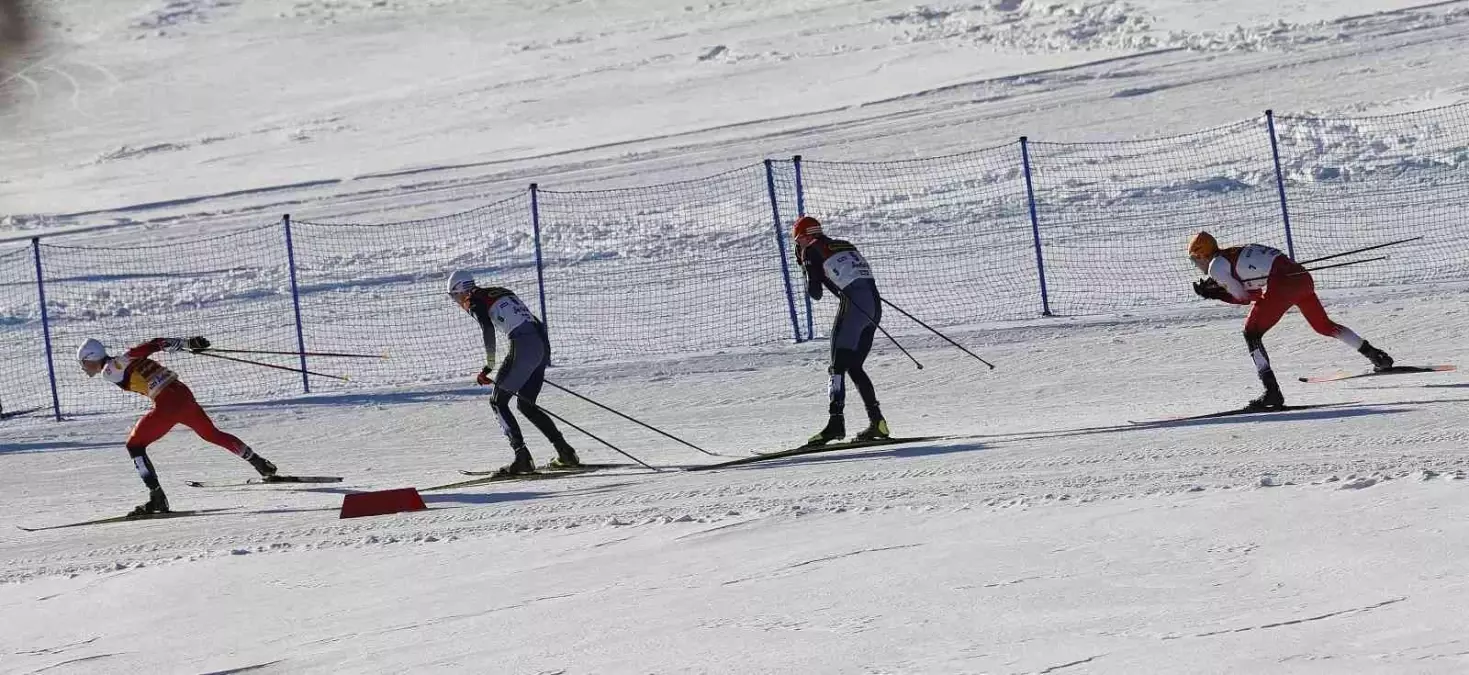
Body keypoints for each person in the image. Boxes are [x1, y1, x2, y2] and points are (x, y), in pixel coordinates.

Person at [1188, 231, 1394, 410]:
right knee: (1324, 326)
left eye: (1195, 260)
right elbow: (1256, 293)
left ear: (1203, 255)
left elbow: (1245, 298)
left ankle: (1271, 392)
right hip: (1301, 276)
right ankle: (1376, 356)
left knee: (1251, 333)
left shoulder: (1216, 266)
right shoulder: (1231, 253)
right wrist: (1223, 289)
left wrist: (1216, 294)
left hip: (1283, 283)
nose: (1197, 265)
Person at [78, 336, 278, 515]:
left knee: (134, 446)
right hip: (182, 394)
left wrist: (179, 344)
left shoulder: (110, 369)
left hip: (167, 403)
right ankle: (260, 464)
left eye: (84, 363)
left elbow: (143, 349)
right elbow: (154, 344)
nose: (84, 367)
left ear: (91, 357)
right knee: (213, 434)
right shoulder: (120, 362)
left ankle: (157, 497)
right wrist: (187, 343)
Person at [447, 270, 579, 476]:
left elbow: (488, 330)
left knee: (498, 402)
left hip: (523, 344)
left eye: (454, 297)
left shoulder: (474, 301)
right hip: (541, 344)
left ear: (462, 291)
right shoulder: (499, 291)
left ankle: (522, 458)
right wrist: (536, 356)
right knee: (526, 405)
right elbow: (531, 319)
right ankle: (566, 453)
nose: (457, 302)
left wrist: (488, 367)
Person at [793, 216, 889, 446]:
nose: (797, 247)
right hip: (874, 308)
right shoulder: (844, 244)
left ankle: (835, 424)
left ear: (805, 237)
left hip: (854, 307)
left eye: (797, 242)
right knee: (854, 366)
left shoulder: (810, 251)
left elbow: (815, 293)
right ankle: (878, 422)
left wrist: (806, 270)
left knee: (837, 367)